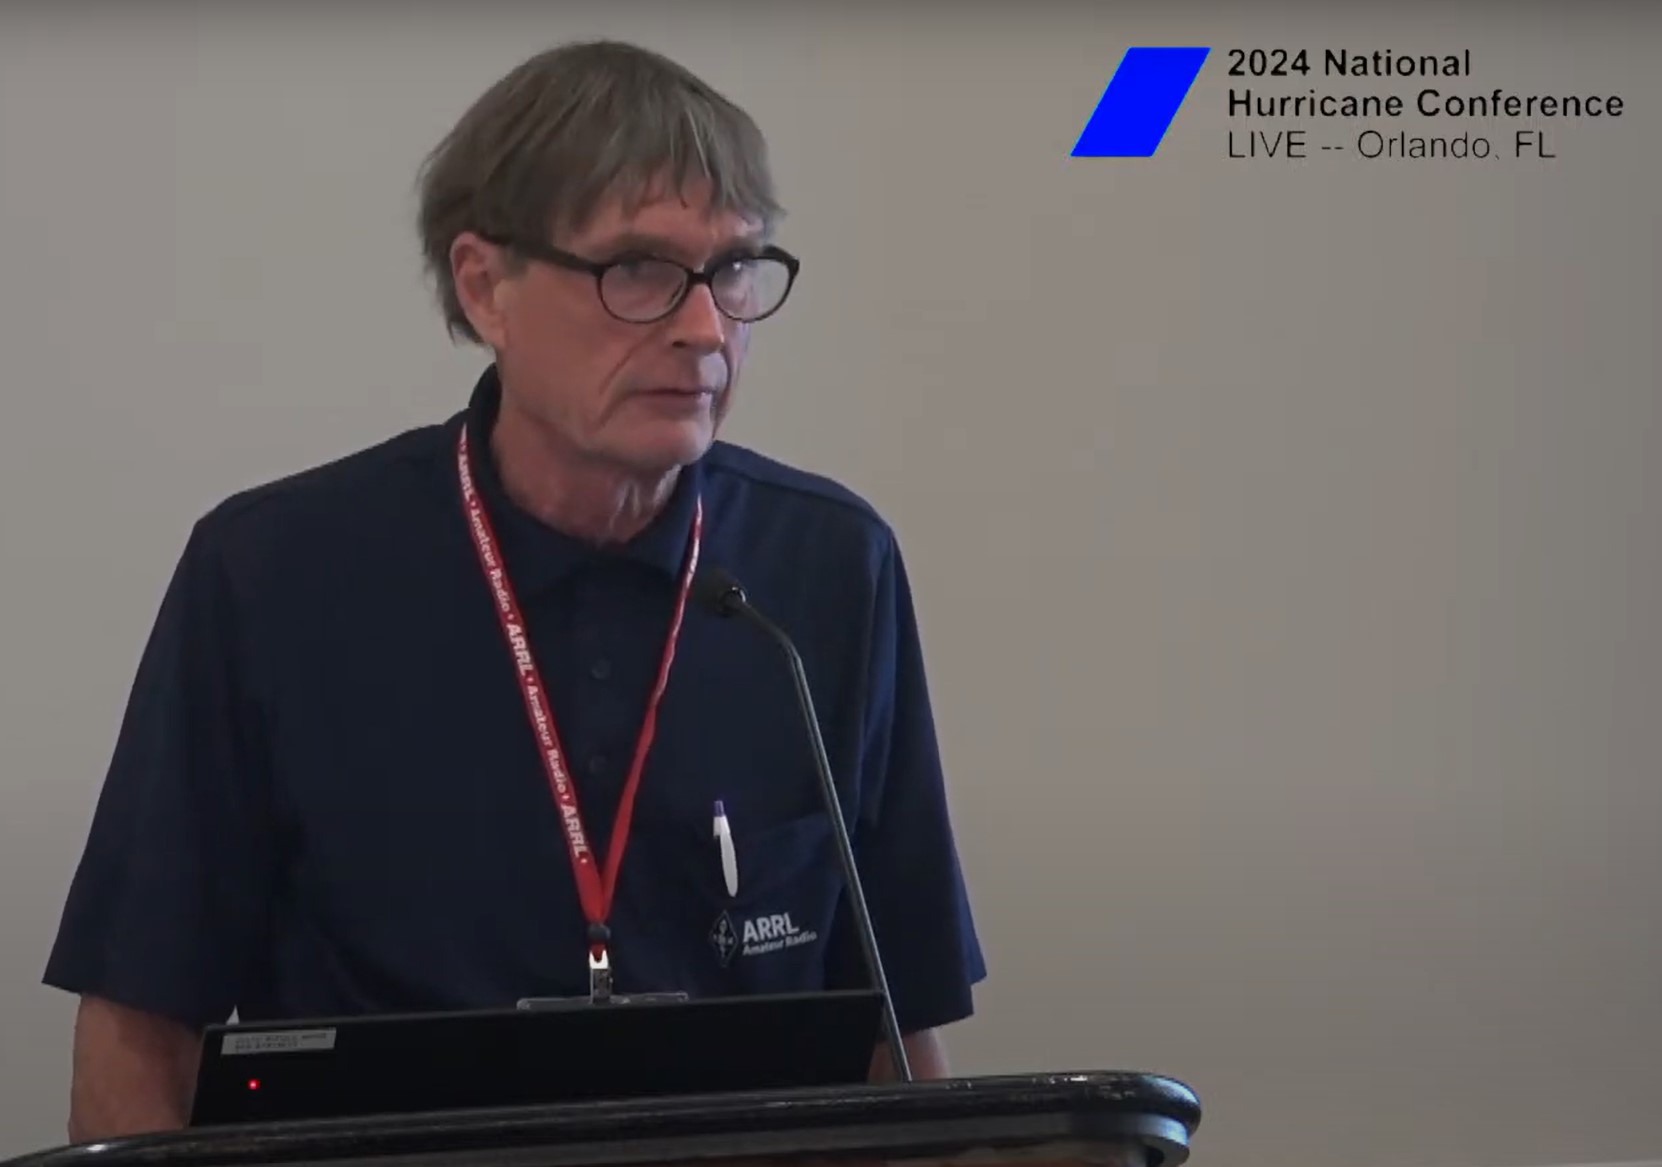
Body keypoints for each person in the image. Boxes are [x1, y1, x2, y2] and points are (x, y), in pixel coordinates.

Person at [43, 38, 986, 1142]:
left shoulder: (827, 571)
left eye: (734, 268)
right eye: (639, 269)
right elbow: (140, 1029)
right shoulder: (270, 578)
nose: (705, 328)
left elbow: (898, 1037)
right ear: (485, 285)